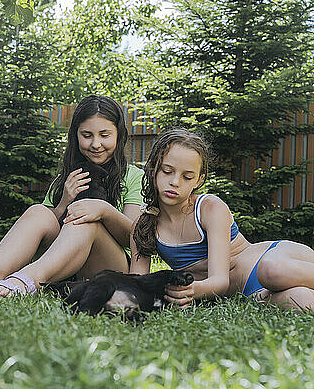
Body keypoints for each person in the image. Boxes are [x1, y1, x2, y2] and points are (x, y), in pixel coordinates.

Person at [0, 95, 144, 297]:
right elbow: (48, 226)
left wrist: (104, 211)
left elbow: (134, 237)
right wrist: (64, 202)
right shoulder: (66, 179)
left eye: (104, 135)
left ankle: (23, 281)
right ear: (75, 136)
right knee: (38, 211)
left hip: (109, 269)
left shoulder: (133, 177)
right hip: (65, 268)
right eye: (87, 135)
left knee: (86, 221)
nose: (96, 143)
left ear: (119, 135)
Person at [130, 128, 314, 311]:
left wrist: (192, 290)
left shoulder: (209, 208)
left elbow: (220, 281)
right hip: (249, 292)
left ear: (198, 180)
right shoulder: (144, 226)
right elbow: (136, 286)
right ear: (153, 169)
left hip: (271, 260)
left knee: (272, 271)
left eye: (187, 177)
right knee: (303, 302)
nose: (175, 182)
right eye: (167, 171)